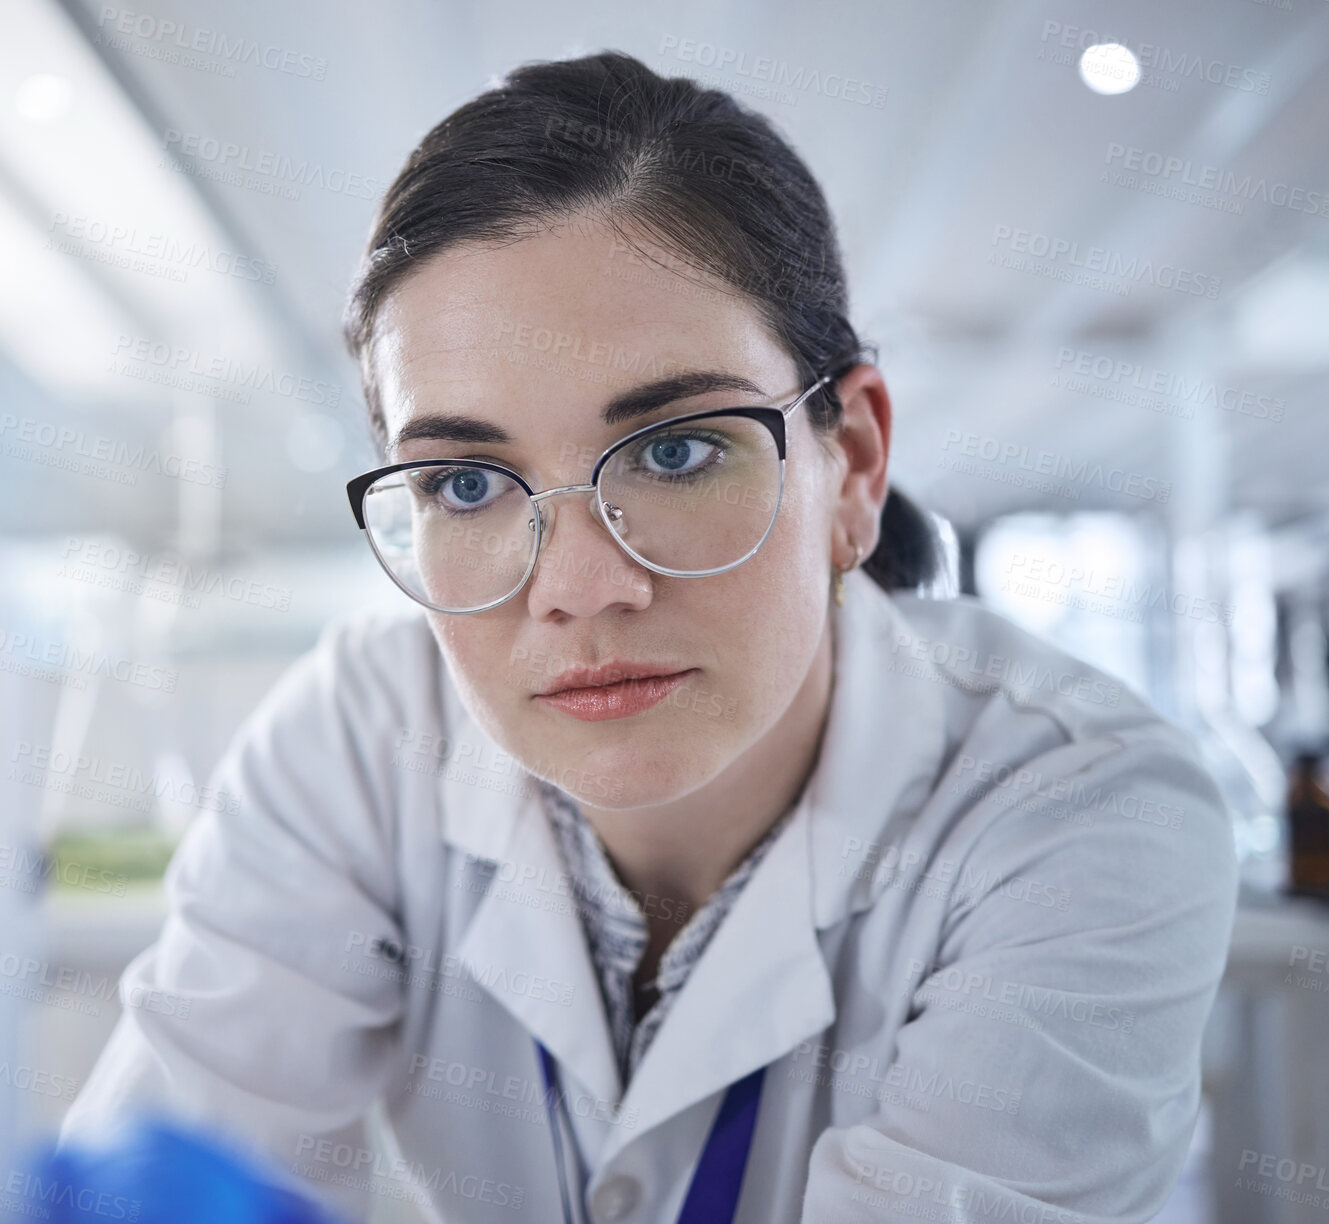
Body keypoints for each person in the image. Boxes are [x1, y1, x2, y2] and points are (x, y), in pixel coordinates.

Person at [63, 50, 1238, 1223]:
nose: (577, 588)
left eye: (677, 451)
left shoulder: (1082, 808)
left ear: (855, 464)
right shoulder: (359, 738)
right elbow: (163, 1166)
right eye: (465, 482)